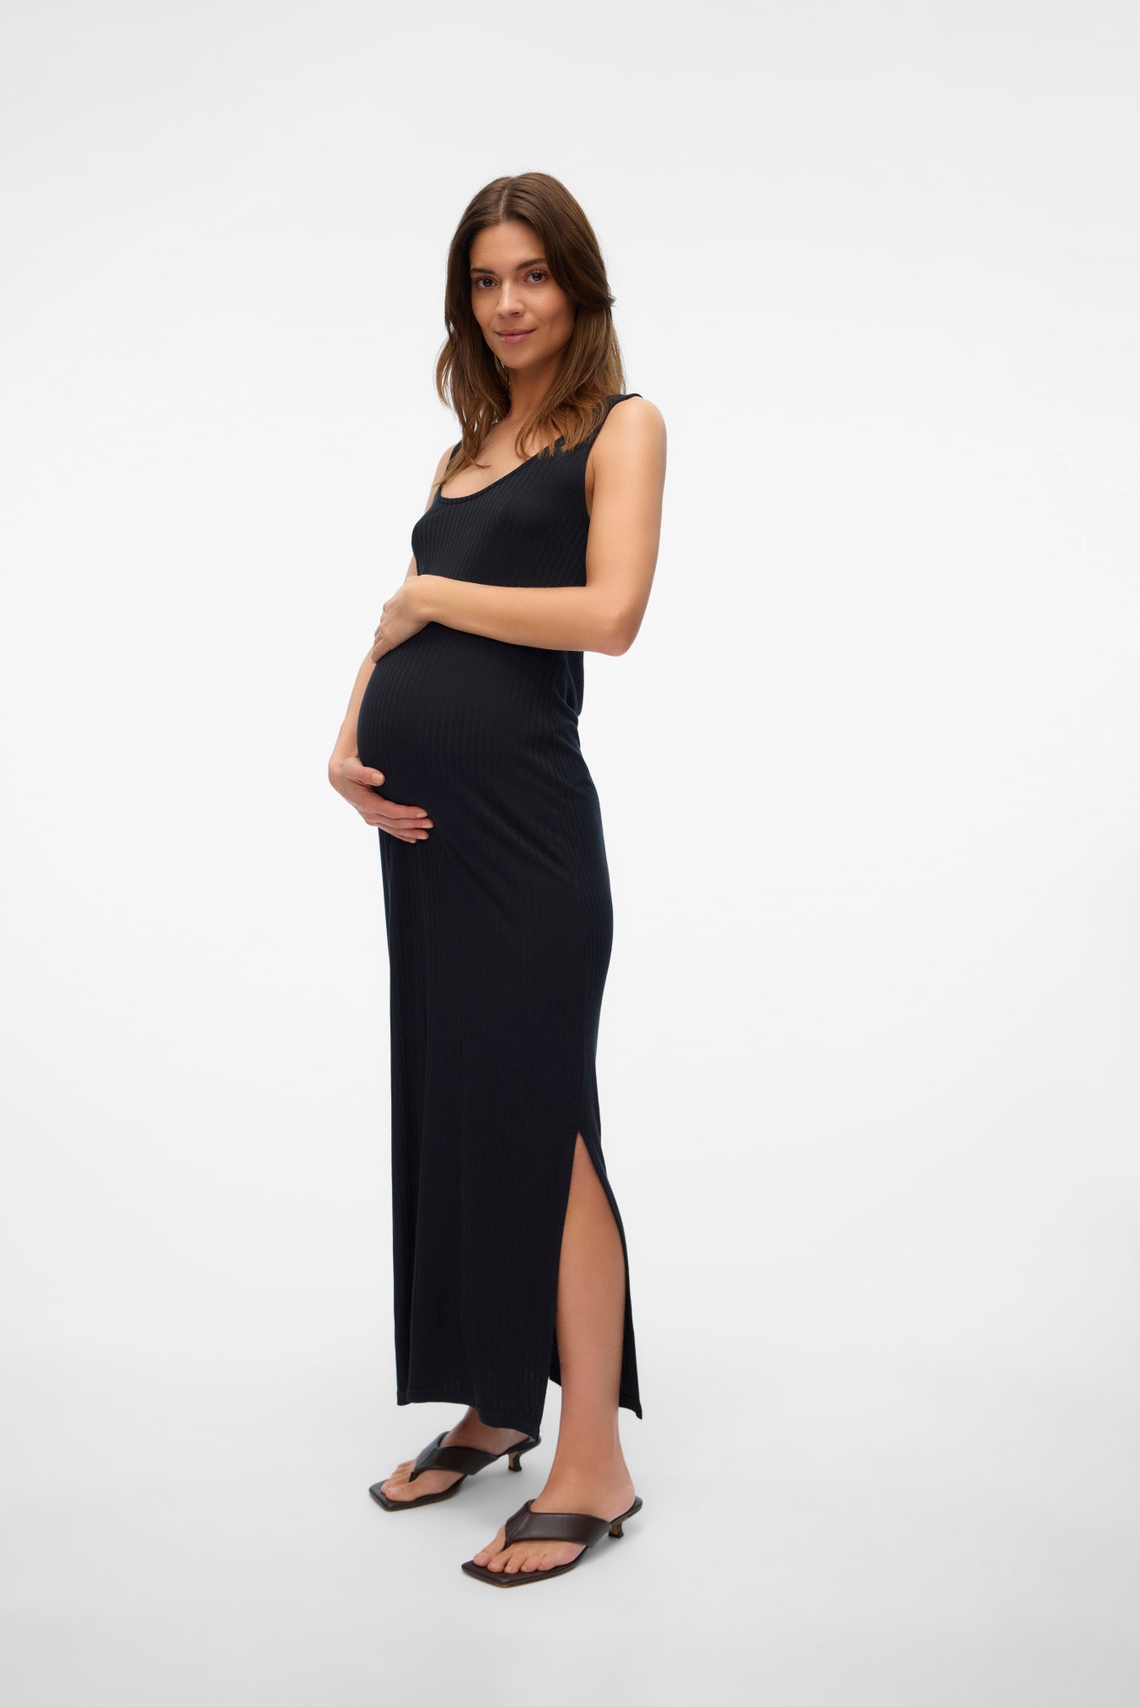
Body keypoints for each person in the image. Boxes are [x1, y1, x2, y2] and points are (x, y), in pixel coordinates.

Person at [327, 172, 666, 1587]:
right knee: (458, 1109)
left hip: (529, 845)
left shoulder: (623, 427)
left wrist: (428, 597)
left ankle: (595, 1463)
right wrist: (349, 737)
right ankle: (495, 1404)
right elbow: (398, 623)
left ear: (576, 285)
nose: (509, 303)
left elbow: (611, 614)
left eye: (532, 274)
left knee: (547, 1126)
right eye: (485, 280)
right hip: (428, 844)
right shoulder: (464, 452)